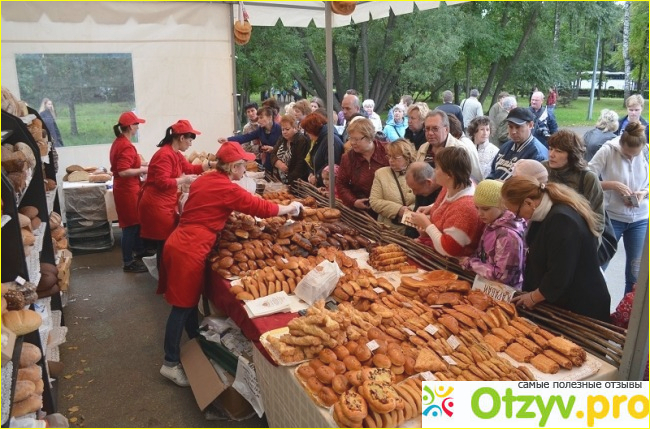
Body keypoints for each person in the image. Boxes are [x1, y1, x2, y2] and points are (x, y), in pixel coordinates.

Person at [157, 142, 302, 387]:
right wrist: (290, 207)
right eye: (243, 165)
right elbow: (260, 207)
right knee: (181, 306)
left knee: (188, 301)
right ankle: (169, 363)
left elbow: (210, 205)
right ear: (234, 167)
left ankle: (195, 339)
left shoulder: (206, 179)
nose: (245, 169)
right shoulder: (226, 188)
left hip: (180, 241)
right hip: (190, 248)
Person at [505, 176, 611, 322]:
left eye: (517, 213)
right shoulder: (545, 213)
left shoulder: (562, 220)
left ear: (528, 202)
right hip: (562, 300)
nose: (519, 218)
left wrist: (533, 297)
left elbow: (560, 273)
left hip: (580, 307)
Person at [589, 122, 649, 294]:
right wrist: (611, 185)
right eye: (627, 154)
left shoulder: (646, 151)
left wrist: (644, 192)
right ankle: (592, 303)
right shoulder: (608, 150)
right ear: (621, 144)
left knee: (635, 273)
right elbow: (586, 179)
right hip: (612, 217)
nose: (631, 158)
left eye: (635, 155)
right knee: (598, 265)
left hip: (640, 219)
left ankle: (628, 309)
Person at [138, 120, 207, 268]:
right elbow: (162, 182)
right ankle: (163, 275)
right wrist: (184, 180)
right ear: (181, 138)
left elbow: (189, 168)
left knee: (165, 243)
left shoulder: (175, 153)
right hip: (157, 205)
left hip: (166, 203)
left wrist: (210, 165)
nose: (190, 144)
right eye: (189, 140)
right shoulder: (165, 155)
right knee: (164, 244)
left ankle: (165, 274)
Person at [410, 147, 483, 257]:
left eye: (437, 168)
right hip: (436, 250)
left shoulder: (465, 209)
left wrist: (427, 225)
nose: (434, 171)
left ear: (449, 174)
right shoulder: (454, 184)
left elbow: (449, 250)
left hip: (452, 262)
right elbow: (449, 203)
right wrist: (432, 207)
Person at [460, 179, 525, 289]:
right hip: (486, 285)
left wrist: (471, 263)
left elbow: (501, 276)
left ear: (502, 206)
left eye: (485, 209)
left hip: (502, 292)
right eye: (477, 208)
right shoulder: (493, 222)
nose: (479, 213)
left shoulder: (507, 235)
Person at [544, 130, 605, 236]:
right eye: (550, 149)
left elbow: (598, 219)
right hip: (545, 232)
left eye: (558, 151)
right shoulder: (542, 169)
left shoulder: (588, 178)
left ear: (572, 154)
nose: (551, 154)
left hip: (575, 234)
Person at [110, 111, 148, 273]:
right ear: (131, 126)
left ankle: (140, 251)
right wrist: (143, 170)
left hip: (128, 188)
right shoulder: (125, 146)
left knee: (135, 222)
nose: (138, 127)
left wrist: (146, 165)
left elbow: (129, 164)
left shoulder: (119, 142)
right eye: (137, 124)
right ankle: (128, 261)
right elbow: (123, 171)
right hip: (126, 190)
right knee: (129, 226)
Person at [336, 118, 388, 214]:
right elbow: (341, 184)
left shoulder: (387, 151)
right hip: (363, 212)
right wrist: (354, 201)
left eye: (356, 139)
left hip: (388, 208)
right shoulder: (348, 158)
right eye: (350, 138)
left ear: (369, 137)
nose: (352, 142)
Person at [416, 110, 483, 182]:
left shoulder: (461, 149)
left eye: (435, 129)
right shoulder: (423, 148)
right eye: (427, 129)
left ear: (446, 129)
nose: (430, 133)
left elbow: (476, 179)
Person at [369, 139, 416, 234]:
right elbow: (374, 201)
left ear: (407, 157)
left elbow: (426, 200)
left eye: (395, 157)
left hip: (413, 229)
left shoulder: (418, 172)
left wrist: (410, 210)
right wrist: (398, 210)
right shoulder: (381, 173)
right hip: (388, 229)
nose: (390, 160)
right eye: (389, 156)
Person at [487, 107, 548, 180]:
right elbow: (493, 172)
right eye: (510, 126)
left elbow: (534, 184)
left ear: (530, 125)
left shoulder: (537, 154)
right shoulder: (505, 146)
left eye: (518, 127)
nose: (513, 131)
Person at [219, 106, 281, 171]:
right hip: (268, 162)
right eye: (258, 118)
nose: (258, 121)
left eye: (261, 118)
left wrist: (273, 149)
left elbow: (285, 148)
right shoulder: (260, 130)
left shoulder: (280, 129)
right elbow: (246, 137)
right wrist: (228, 139)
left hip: (279, 161)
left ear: (270, 117)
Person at [301, 111, 344, 187]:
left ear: (312, 129)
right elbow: (312, 159)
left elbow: (332, 165)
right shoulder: (318, 140)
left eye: (307, 131)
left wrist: (317, 176)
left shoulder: (331, 140)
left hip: (329, 186)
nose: (306, 133)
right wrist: (311, 173)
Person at [270, 114, 311, 186]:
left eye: (287, 129)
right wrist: (277, 163)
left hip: (295, 182)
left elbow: (300, 164)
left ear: (295, 128)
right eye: (282, 129)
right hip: (279, 179)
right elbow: (272, 154)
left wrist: (289, 181)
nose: (284, 132)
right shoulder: (282, 138)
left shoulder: (301, 140)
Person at [465, 116, 499, 181]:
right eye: (482, 129)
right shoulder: (466, 147)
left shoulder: (495, 151)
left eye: (487, 129)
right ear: (474, 131)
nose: (485, 133)